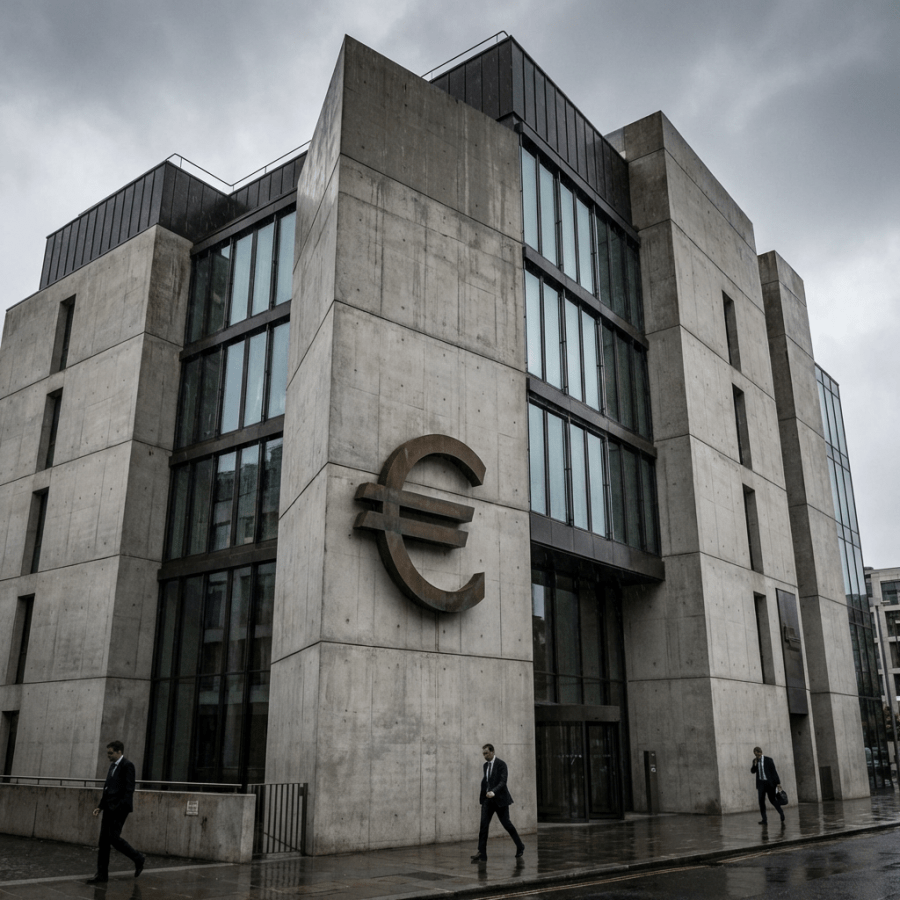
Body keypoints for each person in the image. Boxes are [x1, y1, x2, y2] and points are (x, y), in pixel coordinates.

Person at [86, 740, 146, 884]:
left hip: (119, 809)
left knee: (113, 838)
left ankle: (138, 858)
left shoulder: (127, 765)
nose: (108, 756)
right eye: (108, 753)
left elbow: (129, 790)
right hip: (108, 808)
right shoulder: (112, 766)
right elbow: (107, 788)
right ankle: (101, 875)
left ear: (119, 752)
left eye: (110, 753)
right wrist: (100, 806)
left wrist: (118, 807)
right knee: (103, 842)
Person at [470, 743, 525, 862]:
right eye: (483, 754)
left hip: (500, 800)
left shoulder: (501, 764)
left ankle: (520, 845)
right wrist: (484, 796)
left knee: (507, 824)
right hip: (487, 800)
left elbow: (503, 781)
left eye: (486, 753)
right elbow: (486, 781)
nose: (484, 756)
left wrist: (493, 792)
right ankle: (482, 854)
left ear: (492, 751)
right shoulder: (485, 766)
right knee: (483, 826)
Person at [751, 746, 785, 825]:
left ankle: (781, 812)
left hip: (769, 784)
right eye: (755, 755)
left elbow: (774, 772)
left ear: (760, 753)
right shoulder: (755, 761)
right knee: (761, 802)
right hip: (761, 785)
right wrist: (754, 764)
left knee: (772, 800)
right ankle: (764, 820)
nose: (757, 756)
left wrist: (778, 783)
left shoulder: (768, 760)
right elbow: (752, 771)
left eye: (758, 754)